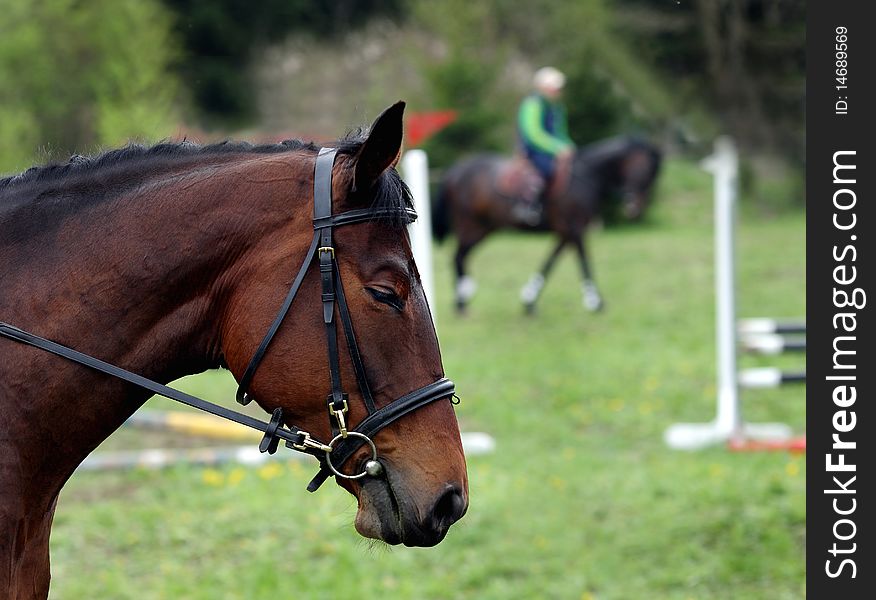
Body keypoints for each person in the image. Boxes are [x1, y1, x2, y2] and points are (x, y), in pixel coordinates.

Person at [515, 66, 575, 223]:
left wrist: (568, 145)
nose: (557, 91)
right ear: (543, 87)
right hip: (533, 150)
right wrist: (557, 148)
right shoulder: (533, 104)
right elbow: (533, 134)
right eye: (554, 88)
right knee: (547, 170)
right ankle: (529, 206)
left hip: (552, 150)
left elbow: (560, 132)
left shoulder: (556, 107)